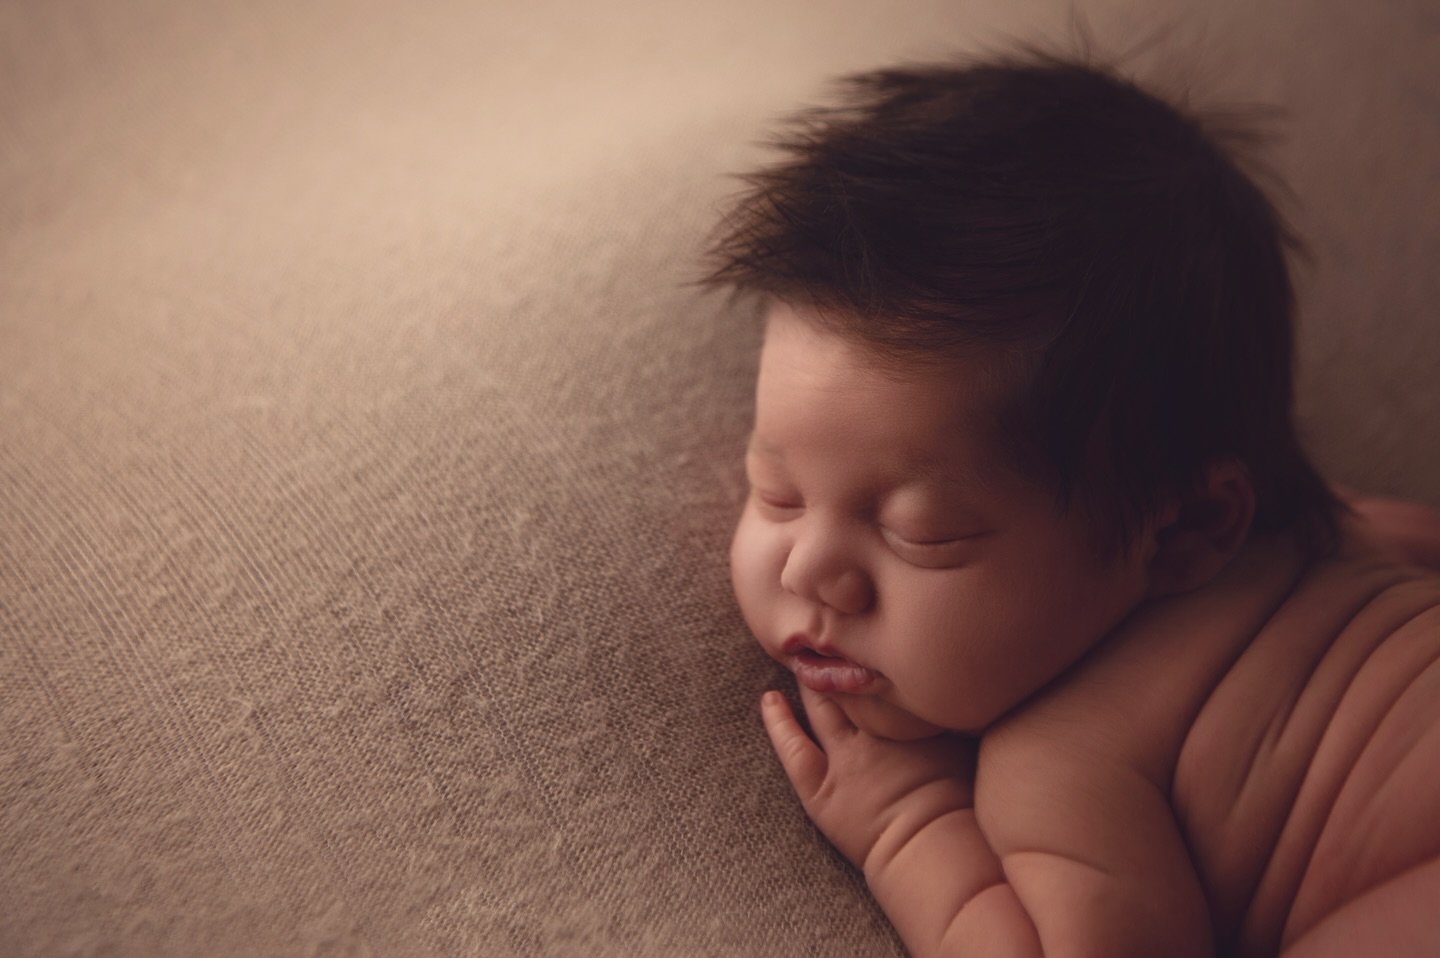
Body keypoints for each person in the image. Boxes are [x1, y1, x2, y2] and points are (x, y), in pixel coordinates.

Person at [702, 51, 1440, 957]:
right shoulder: (1327, 533)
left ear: (1185, 530)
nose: (808, 568)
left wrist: (909, 825)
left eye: (921, 534)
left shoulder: (1059, 761)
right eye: (775, 491)